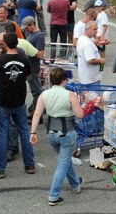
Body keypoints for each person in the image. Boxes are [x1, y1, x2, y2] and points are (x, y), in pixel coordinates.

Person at [29, 67, 84, 206]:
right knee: (62, 163)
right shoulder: (69, 94)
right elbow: (80, 115)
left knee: (64, 160)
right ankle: (53, 196)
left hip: (51, 134)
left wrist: (33, 132)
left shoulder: (44, 94)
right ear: (63, 80)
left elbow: (36, 114)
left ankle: (75, 184)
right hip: (66, 133)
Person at [0, 32, 36, 178]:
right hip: (20, 101)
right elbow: (28, 75)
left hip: (3, 101)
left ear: (6, 45)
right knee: (24, 132)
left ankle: (0, 168)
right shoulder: (24, 59)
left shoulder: (0, 60)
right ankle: (29, 164)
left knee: (2, 134)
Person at [22, 17, 45, 119]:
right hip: (29, 66)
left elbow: (40, 53)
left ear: (32, 24)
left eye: (27, 27)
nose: (26, 29)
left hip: (33, 67)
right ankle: (35, 110)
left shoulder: (39, 36)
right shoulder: (31, 34)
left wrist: (30, 51)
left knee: (36, 91)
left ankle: (37, 113)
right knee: (34, 90)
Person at [76, 21, 104, 85]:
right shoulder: (87, 44)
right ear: (87, 30)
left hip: (84, 78)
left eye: (97, 29)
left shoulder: (82, 39)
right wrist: (100, 61)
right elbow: (90, 60)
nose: (96, 31)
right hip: (91, 80)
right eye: (94, 29)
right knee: (93, 95)